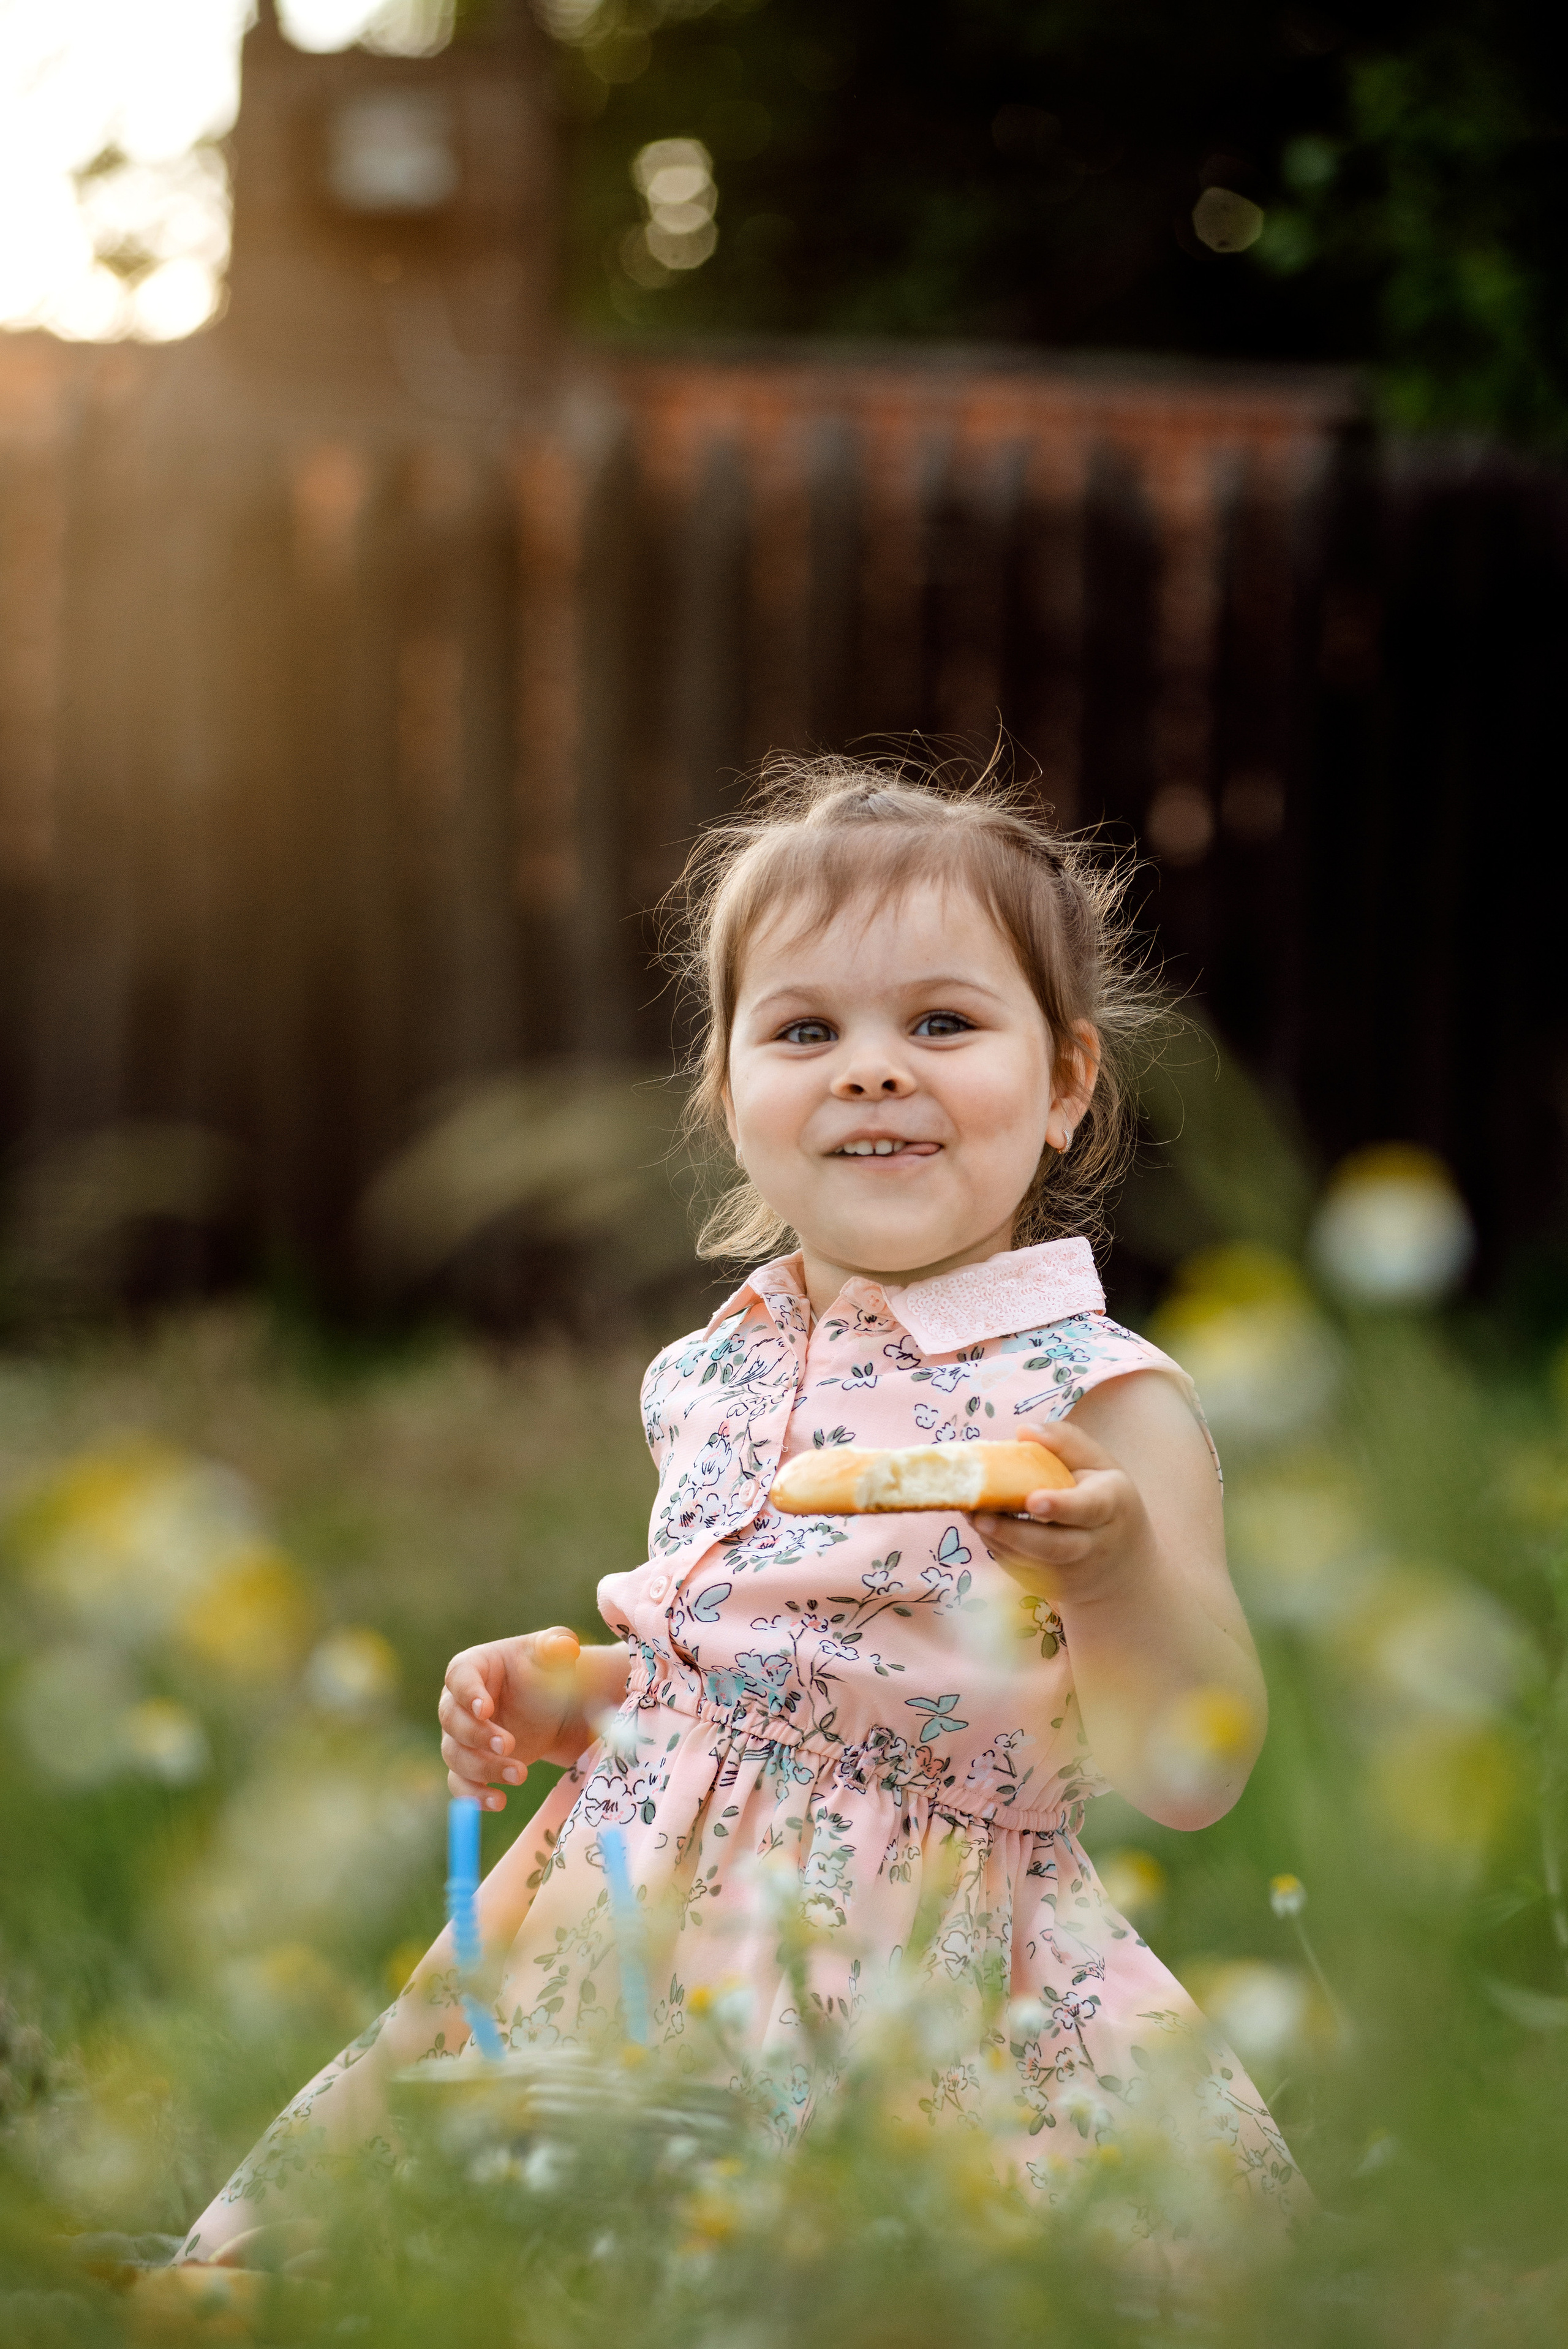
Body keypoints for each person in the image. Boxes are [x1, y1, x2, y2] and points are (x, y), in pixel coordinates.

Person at [181, 757, 1297, 2263]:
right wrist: (581, 1696)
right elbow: (754, 1685)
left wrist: (1114, 1579)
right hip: (632, 1925)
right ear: (726, 1093)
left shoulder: (1095, 1396)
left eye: (941, 1023)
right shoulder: (711, 1369)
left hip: (911, 1966)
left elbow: (1192, 1774)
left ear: (1063, 1085)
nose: (871, 1069)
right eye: (804, 1030)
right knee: (506, 2238)